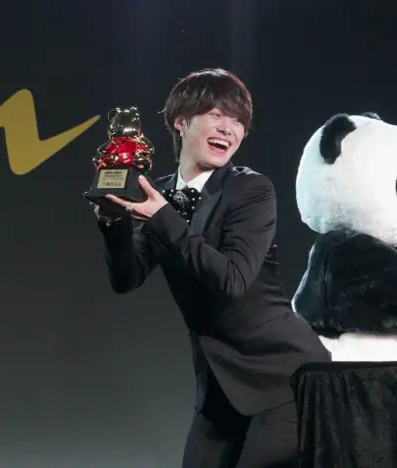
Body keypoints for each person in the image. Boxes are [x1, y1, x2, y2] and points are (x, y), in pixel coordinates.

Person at [92, 68, 331, 467]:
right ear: (181, 122)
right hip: (220, 387)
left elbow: (232, 280)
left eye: (237, 121)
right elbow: (127, 278)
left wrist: (163, 218)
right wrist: (113, 222)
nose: (228, 129)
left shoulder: (251, 190)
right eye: (216, 115)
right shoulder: (161, 193)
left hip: (284, 380)